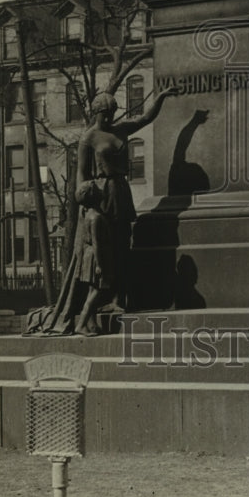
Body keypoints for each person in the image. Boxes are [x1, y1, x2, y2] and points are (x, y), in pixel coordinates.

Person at [72, 85, 178, 334]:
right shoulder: (88, 138)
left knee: (122, 246)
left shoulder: (122, 129)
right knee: (102, 250)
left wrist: (160, 97)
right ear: (95, 112)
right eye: (104, 114)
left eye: (111, 113)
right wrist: (83, 200)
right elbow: (81, 173)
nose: (108, 118)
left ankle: (119, 299)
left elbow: (146, 117)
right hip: (100, 193)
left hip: (121, 191)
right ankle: (94, 309)